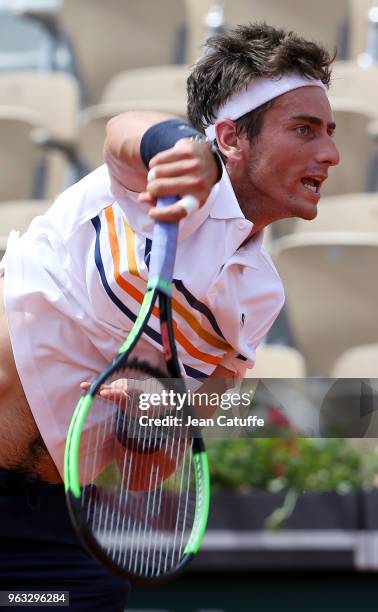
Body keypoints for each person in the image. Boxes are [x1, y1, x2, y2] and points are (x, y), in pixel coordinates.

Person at [0, 22, 338, 610]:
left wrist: (150, 416)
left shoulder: (259, 299)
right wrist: (183, 148)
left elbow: (156, 465)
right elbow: (122, 133)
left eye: (330, 133)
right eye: (304, 130)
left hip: (54, 531)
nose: (330, 153)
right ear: (230, 137)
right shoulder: (151, 180)